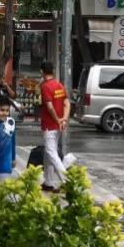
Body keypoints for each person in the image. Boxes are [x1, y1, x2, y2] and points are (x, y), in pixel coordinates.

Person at [39, 61, 70, 192]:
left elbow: (50, 107)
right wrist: (64, 119)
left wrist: (57, 119)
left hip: (50, 125)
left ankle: (67, 181)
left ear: (42, 71)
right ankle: (48, 182)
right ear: (53, 71)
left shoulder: (45, 86)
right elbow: (67, 103)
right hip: (58, 126)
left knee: (51, 153)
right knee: (48, 153)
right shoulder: (59, 85)